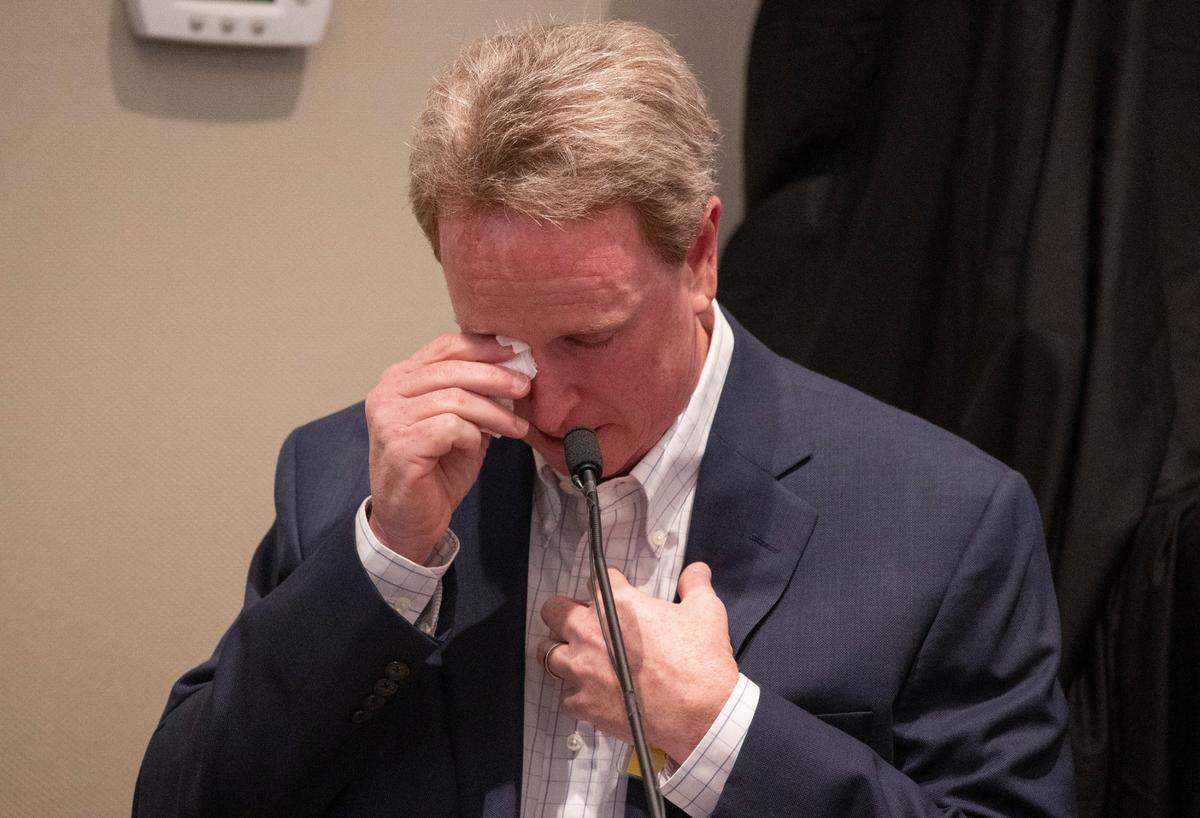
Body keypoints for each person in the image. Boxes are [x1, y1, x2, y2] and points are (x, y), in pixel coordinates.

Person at [134, 20, 1075, 818]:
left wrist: (719, 735)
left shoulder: (949, 520)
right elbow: (184, 800)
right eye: (494, 335)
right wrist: (386, 560)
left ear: (700, 257)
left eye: (589, 339)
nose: (544, 402)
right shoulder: (351, 474)